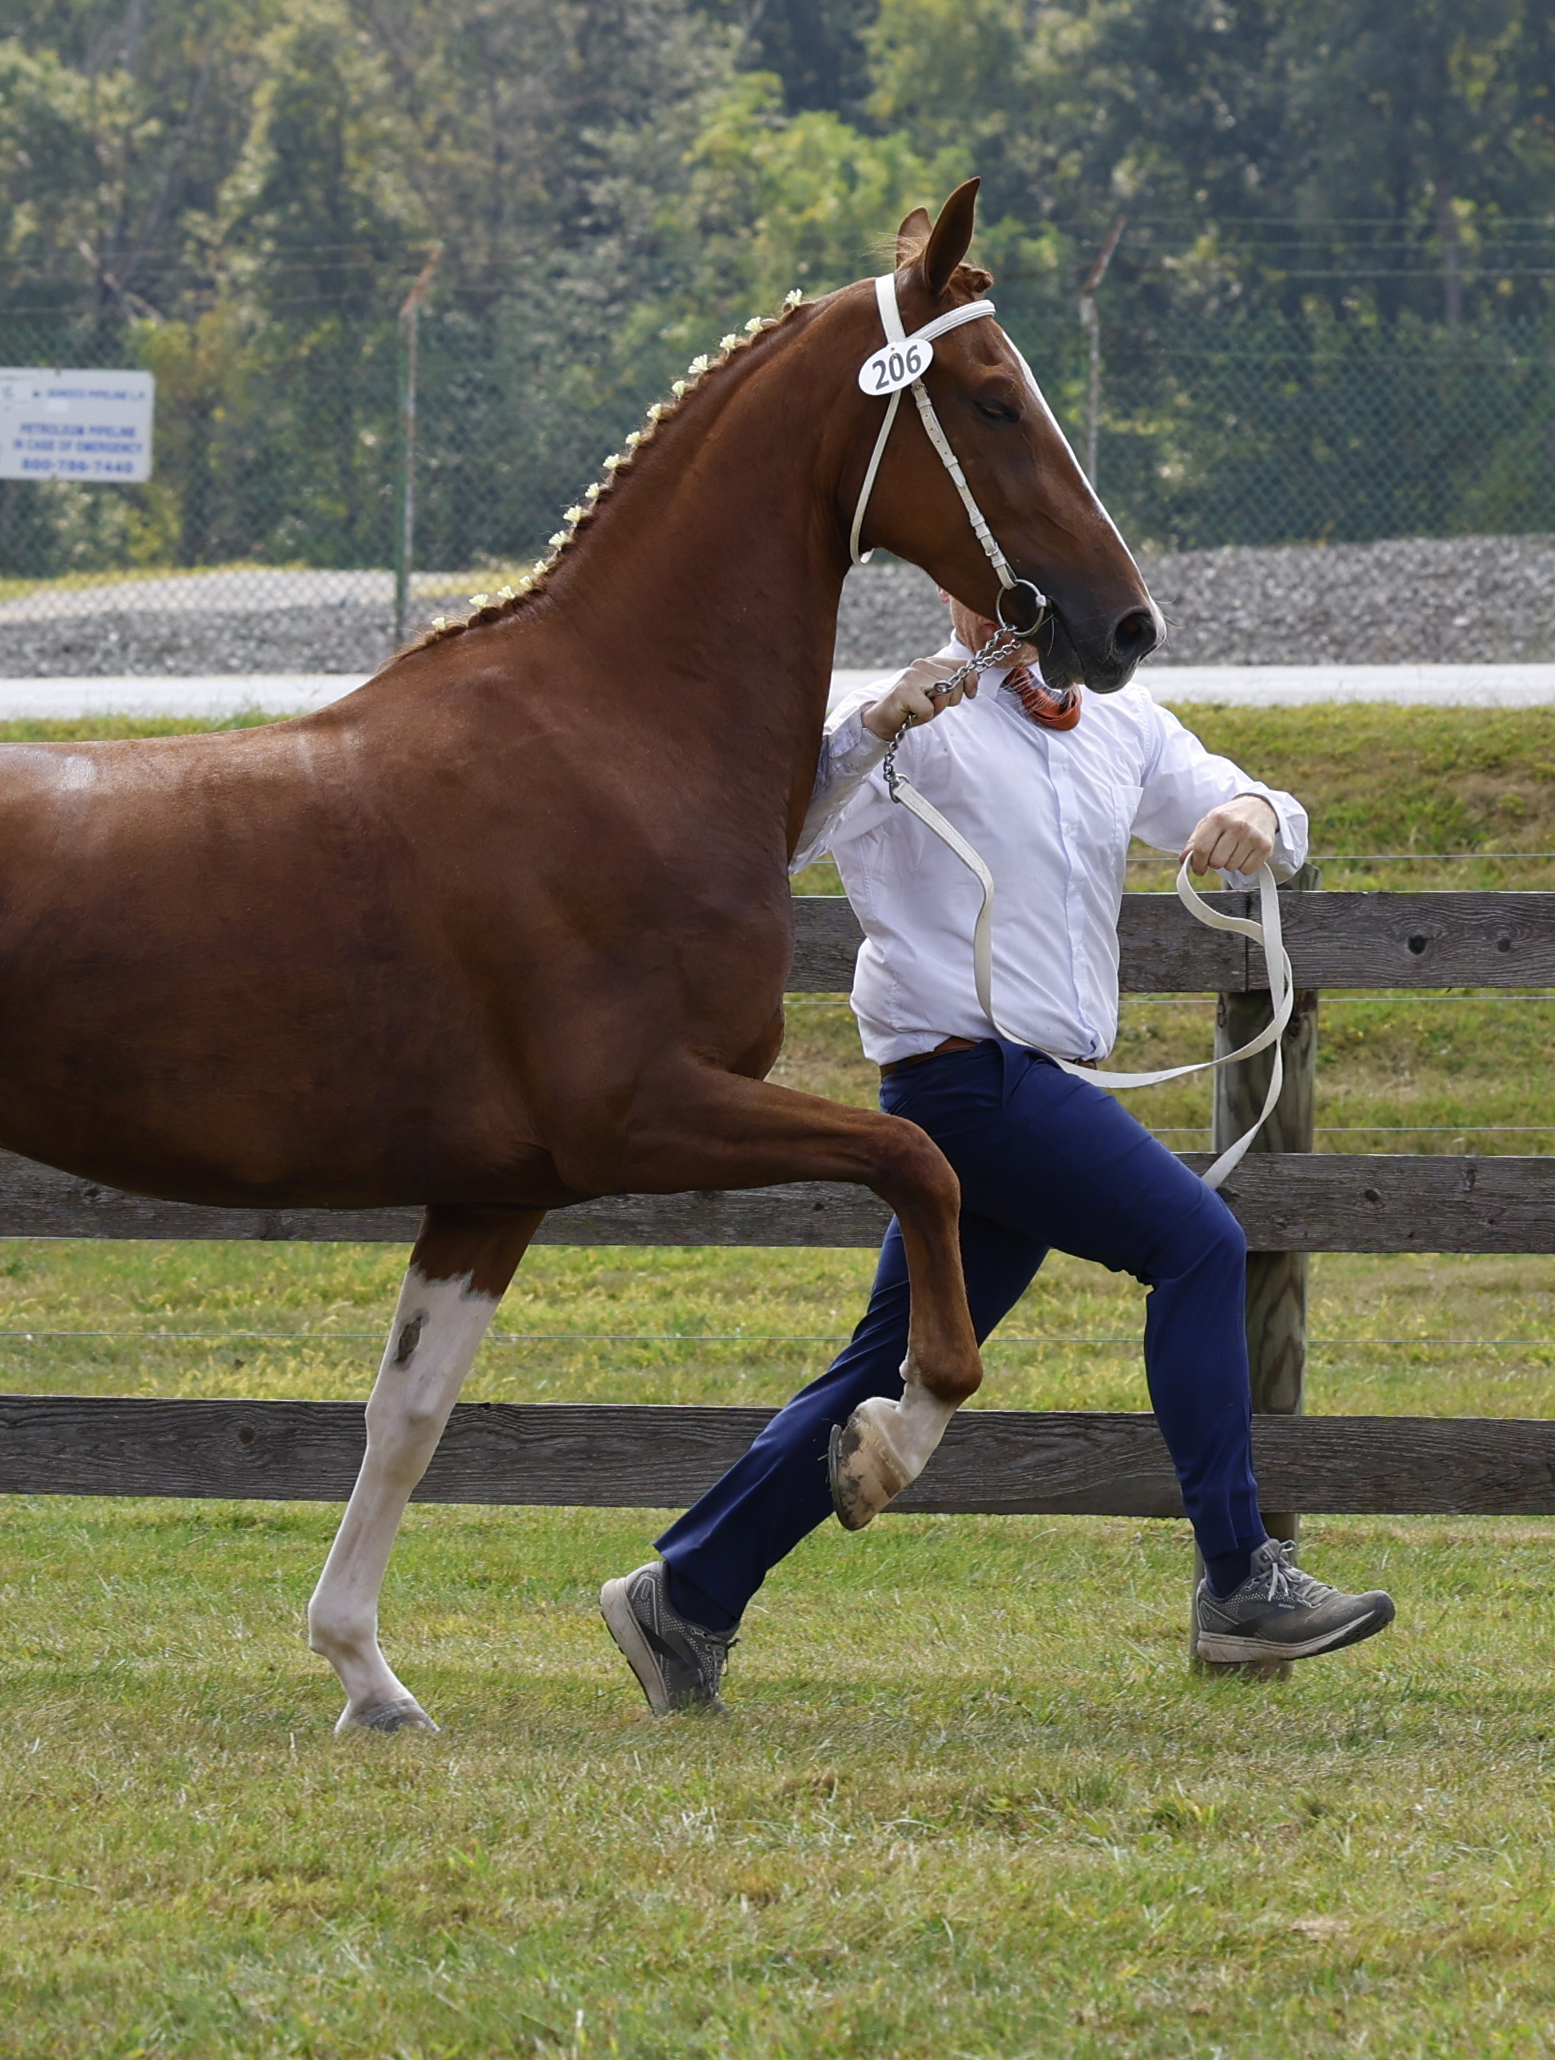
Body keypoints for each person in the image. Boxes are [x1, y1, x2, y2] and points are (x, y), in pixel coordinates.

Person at [599, 590, 1397, 1713]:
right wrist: (875, 723)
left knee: (887, 1369)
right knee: (1199, 1244)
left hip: (1035, 1088)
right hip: (966, 1083)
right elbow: (771, 835)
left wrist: (1260, 807)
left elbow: (1250, 804)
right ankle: (1237, 1580)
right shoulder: (916, 721)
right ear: (956, 589)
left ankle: (681, 1598)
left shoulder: (1117, 723)